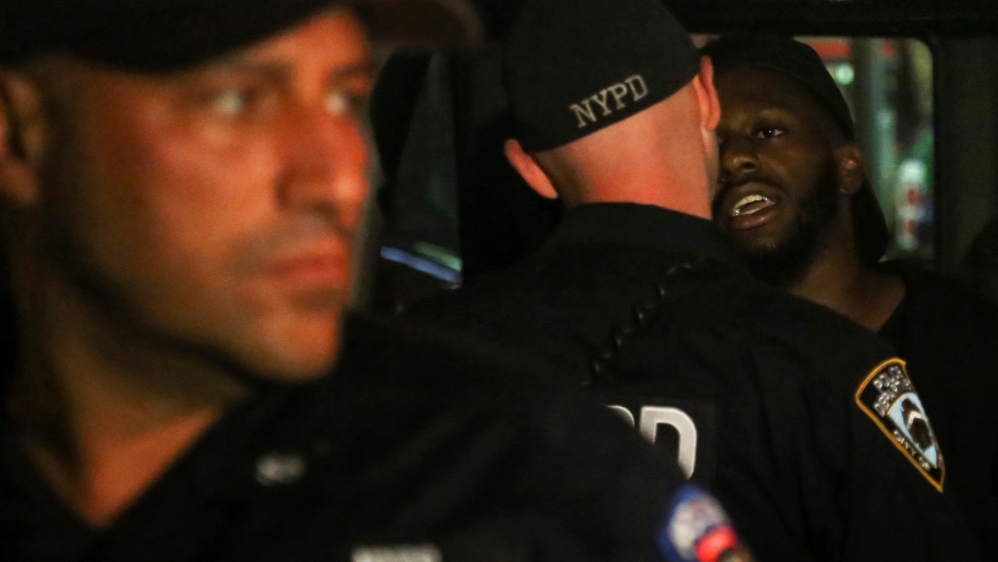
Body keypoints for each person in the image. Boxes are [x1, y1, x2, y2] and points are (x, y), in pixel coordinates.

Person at [0, 1, 759, 561]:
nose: (336, 176)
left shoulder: (527, 479)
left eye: (343, 97)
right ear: (20, 135)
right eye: (237, 101)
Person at [407, 0, 985, 559]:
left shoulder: (417, 357)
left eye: (769, 133)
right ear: (706, 98)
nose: (739, 160)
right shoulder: (829, 369)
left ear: (530, 168)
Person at [705, 34, 998, 556]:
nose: (735, 160)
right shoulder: (699, 352)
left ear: (848, 166)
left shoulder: (963, 345)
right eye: (713, 144)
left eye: (768, 131)